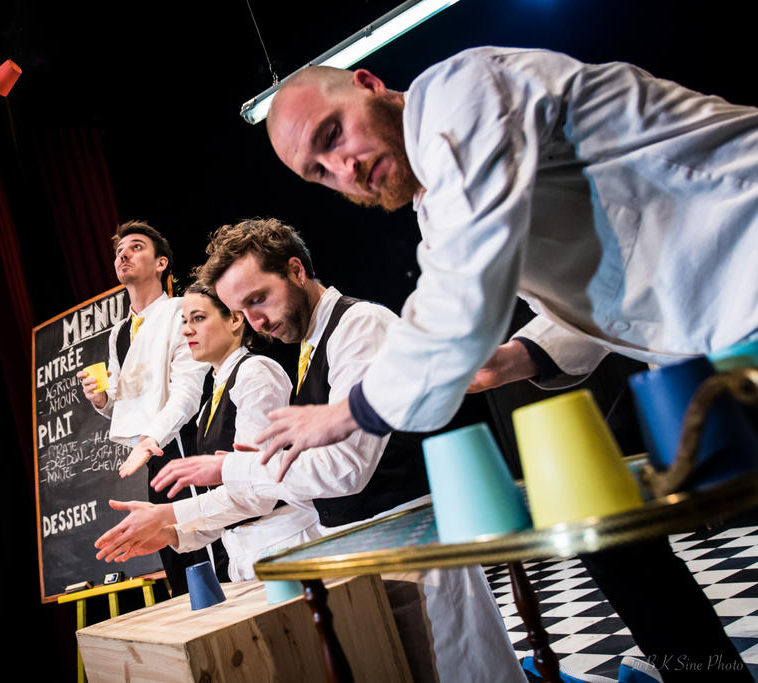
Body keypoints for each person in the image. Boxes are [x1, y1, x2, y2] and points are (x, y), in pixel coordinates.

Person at [259, 48, 756, 680]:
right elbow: (611, 275)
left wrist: (347, 412)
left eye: (333, 135)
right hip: (714, 341)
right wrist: (520, 356)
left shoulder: (461, 91)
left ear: (369, 83)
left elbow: (464, 284)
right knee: (596, 514)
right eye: (320, 173)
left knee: (605, 516)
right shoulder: (437, 202)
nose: (343, 168)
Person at [105, 218, 524, 683]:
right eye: (243, 308)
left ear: (296, 270)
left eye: (258, 299)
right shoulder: (310, 347)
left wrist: (232, 472)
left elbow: (345, 469)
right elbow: (302, 481)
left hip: (411, 549)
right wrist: (186, 518)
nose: (257, 322)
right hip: (362, 553)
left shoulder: (358, 326)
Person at [95, 281, 322, 581]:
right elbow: (231, 506)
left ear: (235, 319)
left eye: (198, 318)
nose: (187, 331)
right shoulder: (210, 403)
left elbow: (257, 492)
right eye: (184, 322)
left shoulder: (256, 374)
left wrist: (165, 514)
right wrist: (171, 534)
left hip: (289, 551)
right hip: (249, 561)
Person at [77, 220, 219, 596]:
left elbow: (188, 391)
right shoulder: (118, 334)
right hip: (152, 459)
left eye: (136, 246)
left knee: (208, 556)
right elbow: (129, 403)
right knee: (177, 565)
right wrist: (102, 400)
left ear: (161, 263)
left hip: (189, 447)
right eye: (119, 250)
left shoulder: (180, 311)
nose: (124, 253)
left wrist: (151, 438)